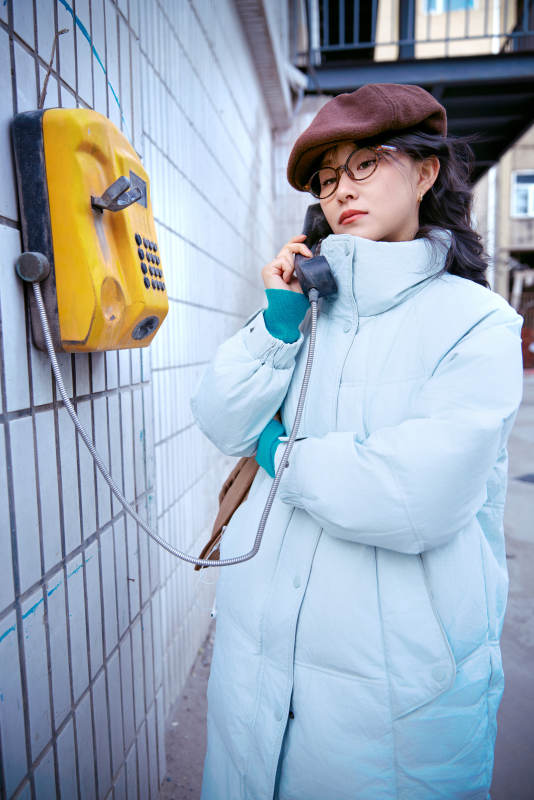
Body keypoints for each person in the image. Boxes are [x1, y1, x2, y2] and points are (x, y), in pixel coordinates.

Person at [190, 83, 524, 800]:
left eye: (365, 164)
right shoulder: (305, 310)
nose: (343, 189)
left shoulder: (477, 323)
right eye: (327, 177)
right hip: (258, 657)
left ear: (427, 172)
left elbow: (413, 496)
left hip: (392, 687)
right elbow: (221, 418)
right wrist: (277, 322)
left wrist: (278, 452)